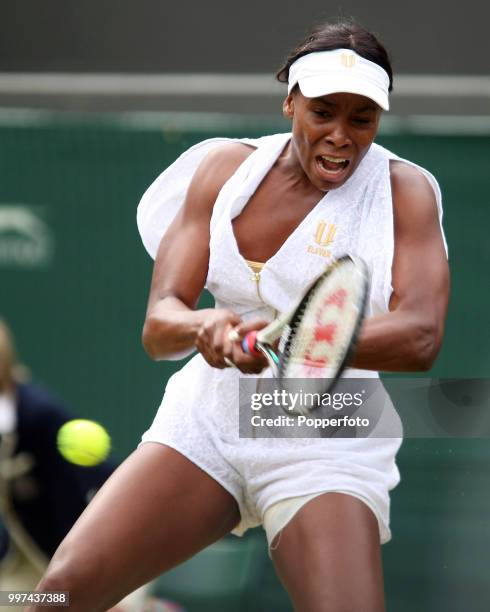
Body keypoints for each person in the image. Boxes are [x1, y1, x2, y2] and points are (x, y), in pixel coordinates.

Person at [28, 21, 449, 612]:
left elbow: (421, 335)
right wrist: (208, 327)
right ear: (289, 103)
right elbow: (160, 324)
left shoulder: (404, 192)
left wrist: (300, 339)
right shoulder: (224, 169)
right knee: (55, 597)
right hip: (208, 420)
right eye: (323, 112)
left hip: (329, 433)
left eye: (361, 119)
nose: (340, 136)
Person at [0, 320, 152, 611]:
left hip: (97, 557)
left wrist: (92, 585)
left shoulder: (39, 417)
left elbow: (81, 500)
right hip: (26, 566)